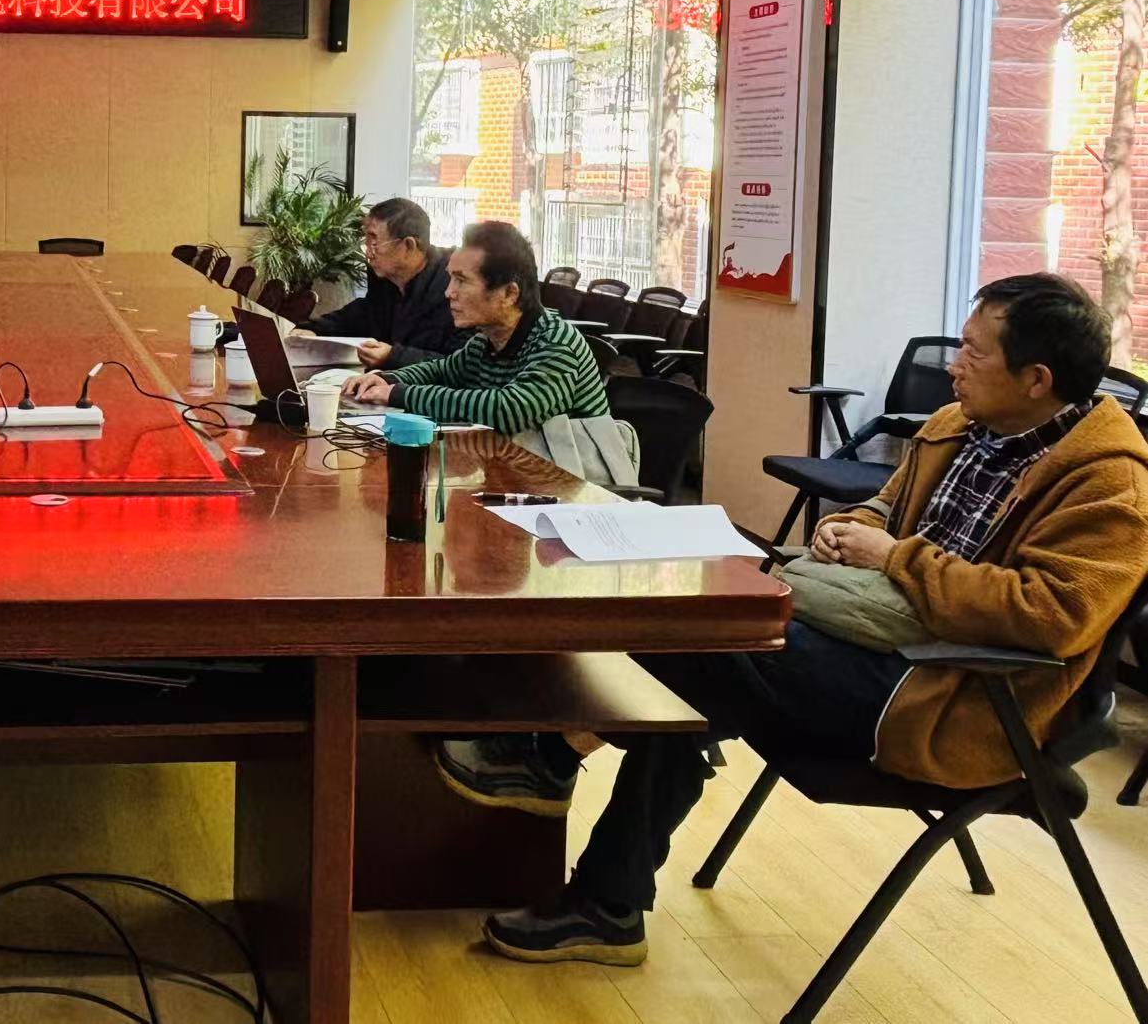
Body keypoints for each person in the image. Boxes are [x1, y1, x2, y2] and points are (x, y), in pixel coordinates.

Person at [464, 273, 1148, 968]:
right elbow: (884, 507)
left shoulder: (1108, 483)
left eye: (973, 352)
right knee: (701, 650)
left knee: (705, 645)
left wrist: (895, 557)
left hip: (953, 692)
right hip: (871, 633)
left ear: (1035, 379)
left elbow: (1049, 615)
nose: (954, 366)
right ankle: (599, 886)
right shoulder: (958, 424)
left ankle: (556, 770)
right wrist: (849, 527)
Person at [339, 220, 609, 435]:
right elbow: (442, 371)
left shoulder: (557, 343)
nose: (449, 292)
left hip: (574, 481)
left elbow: (509, 410)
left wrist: (400, 394)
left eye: (462, 281)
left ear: (509, 293)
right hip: (515, 475)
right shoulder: (485, 342)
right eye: (450, 279)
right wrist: (388, 379)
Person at [291, 197, 462, 368]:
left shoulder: (455, 285)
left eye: (374, 242)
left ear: (408, 246)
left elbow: (460, 365)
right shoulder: (385, 279)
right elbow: (360, 315)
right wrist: (314, 330)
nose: (368, 253)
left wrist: (393, 357)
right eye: (366, 242)